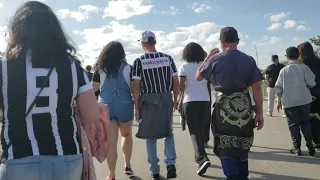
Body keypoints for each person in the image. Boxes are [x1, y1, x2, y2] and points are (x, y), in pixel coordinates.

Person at [0, 1, 100, 180]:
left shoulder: (4, 65)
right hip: (68, 158)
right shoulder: (72, 65)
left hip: (19, 158)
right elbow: (92, 113)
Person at [196, 27, 264, 179]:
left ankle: (232, 176)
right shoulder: (248, 60)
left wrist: (207, 58)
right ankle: (242, 175)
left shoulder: (215, 59)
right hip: (244, 106)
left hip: (223, 108)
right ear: (238, 41)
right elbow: (257, 88)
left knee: (224, 142)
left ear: (222, 42)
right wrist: (259, 112)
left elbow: (199, 76)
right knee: (243, 140)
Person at [132, 31, 179, 180]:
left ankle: (155, 170)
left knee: (150, 137)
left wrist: (136, 108)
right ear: (155, 42)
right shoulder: (168, 58)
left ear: (142, 43)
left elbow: (136, 87)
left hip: (148, 100)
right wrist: (175, 99)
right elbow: (176, 83)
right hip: (165, 97)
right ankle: (170, 162)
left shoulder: (139, 61)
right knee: (168, 132)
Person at [92, 41, 134, 180]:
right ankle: (127, 164)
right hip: (125, 104)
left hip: (105, 106)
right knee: (127, 135)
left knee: (111, 142)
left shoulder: (99, 69)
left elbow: (94, 88)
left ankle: (112, 174)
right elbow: (133, 88)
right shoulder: (128, 68)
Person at [275, 46, 316, 156]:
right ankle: (310, 145)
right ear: (298, 55)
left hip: (289, 102)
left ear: (287, 57)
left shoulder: (283, 71)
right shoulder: (305, 68)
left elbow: (278, 88)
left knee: (293, 125)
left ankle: (297, 148)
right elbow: (312, 83)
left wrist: (278, 101)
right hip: (304, 100)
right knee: (305, 122)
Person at [178, 42, 211, 176]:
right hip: (205, 100)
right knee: (203, 128)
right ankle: (200, 154)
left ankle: (201, 158)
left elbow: (181, 86)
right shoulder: (205, 65)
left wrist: (178, 98)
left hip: (190, 101)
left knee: (194, 131)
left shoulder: (184, 66)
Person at [297, 42, 320, 150]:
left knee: (306, 119)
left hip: (305, 96)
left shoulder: (301, 65)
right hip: (318, 94)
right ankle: (317, 140)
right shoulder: (318, 62)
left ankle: (310, 140)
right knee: (317, 117)